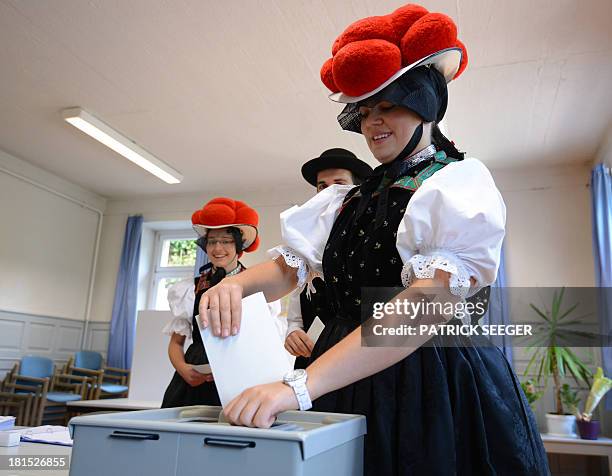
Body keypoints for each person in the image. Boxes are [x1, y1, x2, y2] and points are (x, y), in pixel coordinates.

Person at [198, 4, 549, 475]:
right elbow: (290, 267)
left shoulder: (456, 182)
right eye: (364, 112)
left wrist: (299, 387)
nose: (372, 123)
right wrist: (234, 286)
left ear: (426, 105)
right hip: (342, 370)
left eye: (388, 107)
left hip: (427, 380)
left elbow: (426, 302)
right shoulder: (343, 199)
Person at [161, 197, 268, 407]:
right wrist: (184, 369)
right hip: (195, 374)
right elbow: (176, 343)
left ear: (238, 245)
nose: (218, 248)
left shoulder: (257, 284)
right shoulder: (190, 288)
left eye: (226, 241)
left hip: (239, 374)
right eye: (212, 241)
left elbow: (263, 340)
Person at [285, 148, 372, 368]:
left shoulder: (370, 236)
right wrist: (293, 331)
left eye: (339, 183)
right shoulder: (304, 242)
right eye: (322, 186)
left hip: (361, 358)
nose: (329, 192)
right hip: (313, 358)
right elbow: (296, 309)